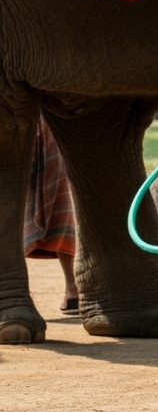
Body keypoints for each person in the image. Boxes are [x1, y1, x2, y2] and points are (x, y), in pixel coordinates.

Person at [23, 115, 78, 315]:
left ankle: (13, 293)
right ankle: (73, 288)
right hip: (54, 121)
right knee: (61, 205)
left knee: (14, 209)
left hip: (29, 120)